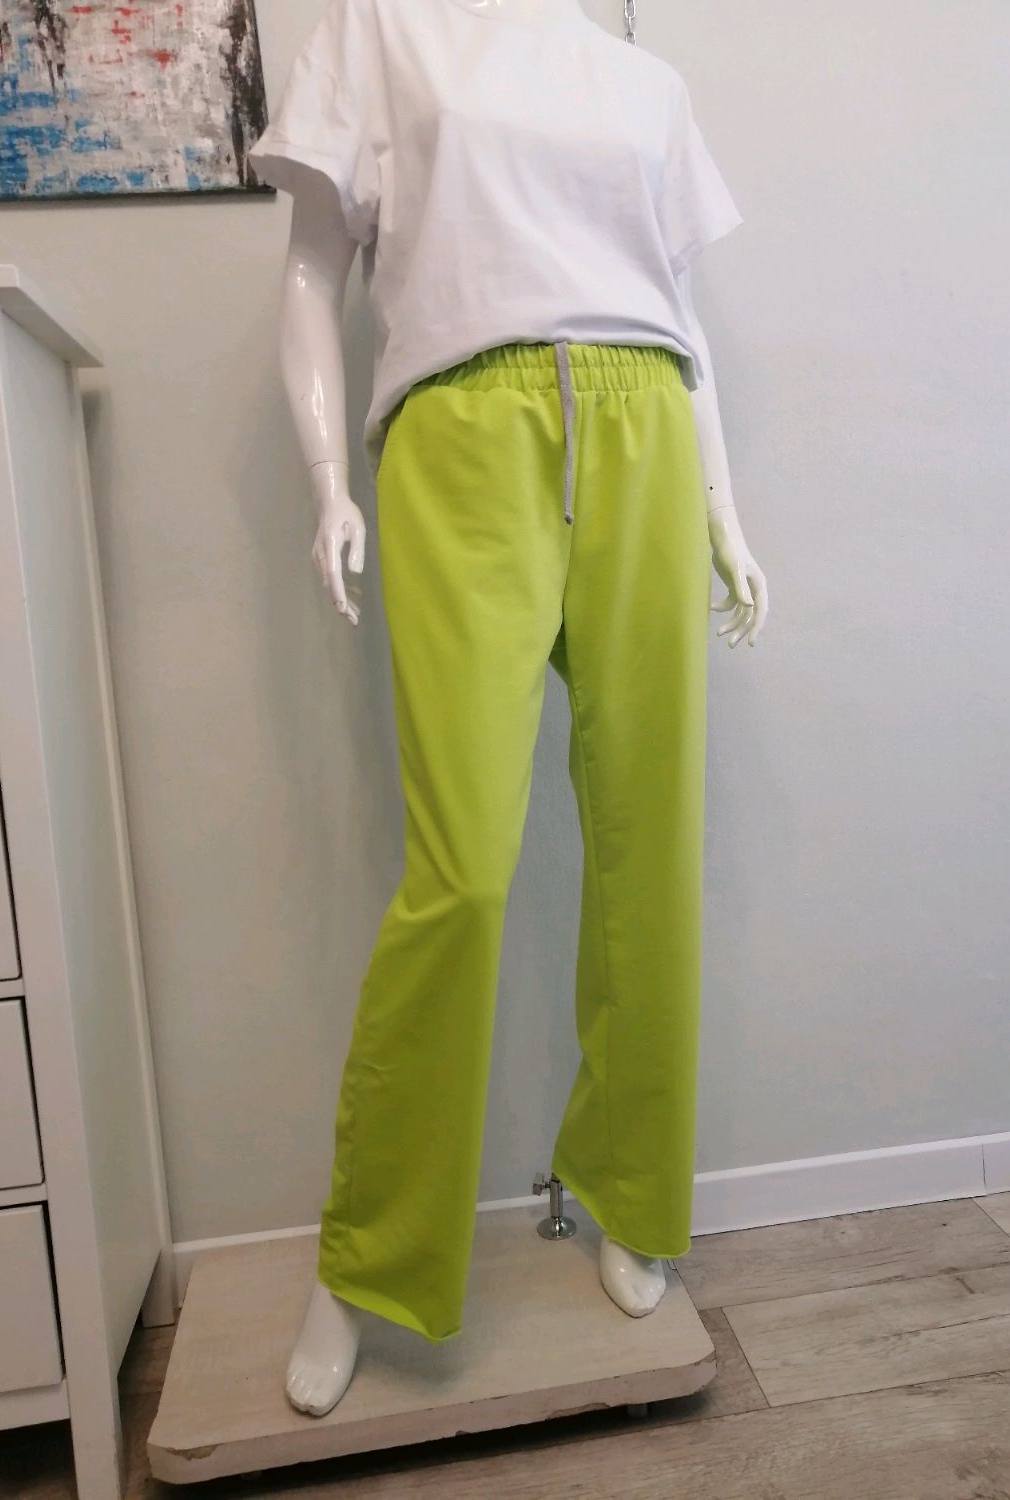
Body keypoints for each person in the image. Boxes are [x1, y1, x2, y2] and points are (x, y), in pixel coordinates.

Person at [247, 0, 768, 1418]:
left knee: (647, 853)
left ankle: (628, 1190)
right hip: (462, 428)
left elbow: (681, 317)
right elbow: (312, 269)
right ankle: (368, 1260)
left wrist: (723, 510)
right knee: (463, 875)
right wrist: (327, 486)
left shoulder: (641, 81)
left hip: (648, 424)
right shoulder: (379, 29)